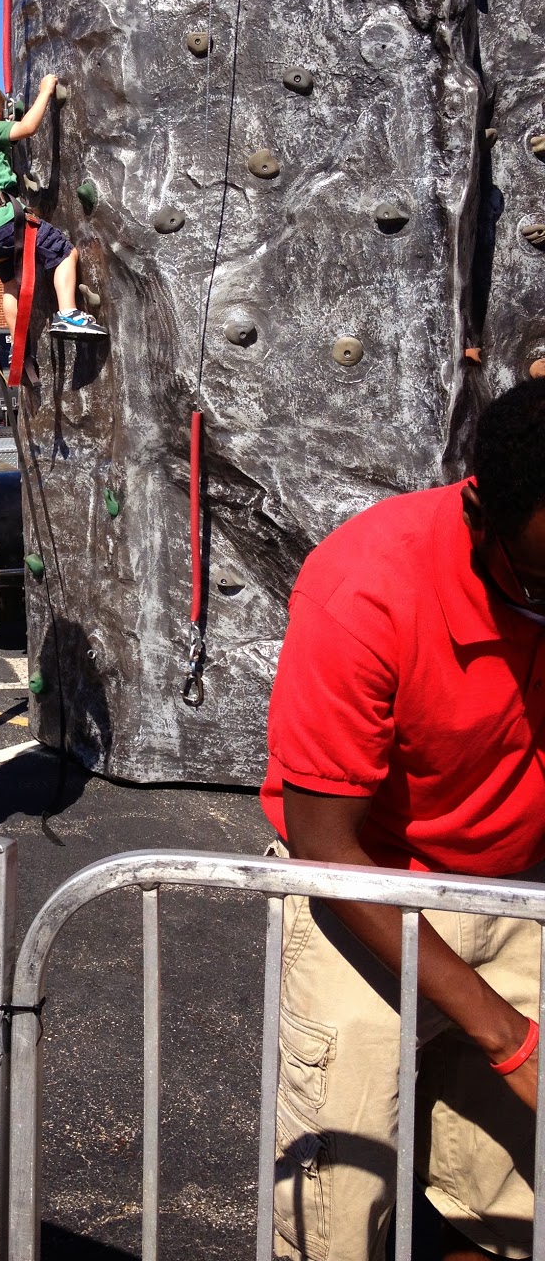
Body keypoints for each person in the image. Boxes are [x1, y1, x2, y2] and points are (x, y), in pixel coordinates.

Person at [261, 379, 545, 1261]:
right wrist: (505, 1035)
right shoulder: (367, 586)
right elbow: (324, 847)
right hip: (371, 901)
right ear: (481, 518)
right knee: (338, 1218)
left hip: (522, 893)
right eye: (539, 581)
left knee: (506, 1209)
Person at [0, 75, 106, 336]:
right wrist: (44, 92)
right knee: (64, 253)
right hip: (6, 221)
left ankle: (17, 343)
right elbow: (27, 128)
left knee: (10, 283)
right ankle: (69, 314)